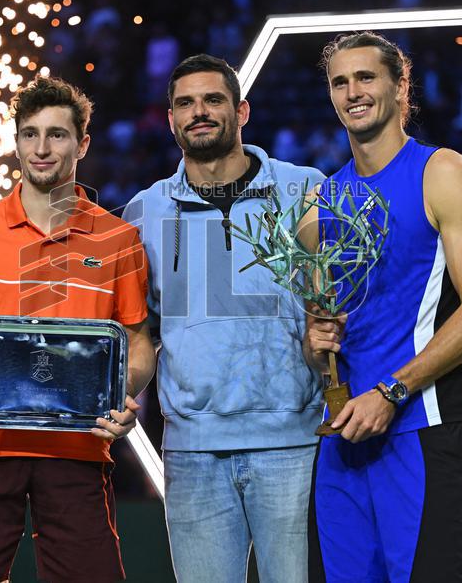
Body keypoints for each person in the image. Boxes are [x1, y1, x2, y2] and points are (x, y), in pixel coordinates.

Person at [0, 75, 156, 583]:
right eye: (30, 134)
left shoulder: (120, 239)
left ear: (83, 143)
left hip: (78, 448)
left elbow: (138, 344)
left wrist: (121, 393)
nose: (42, 148)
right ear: (16, 142)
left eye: (57, 134)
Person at [302, 32, 462, 582]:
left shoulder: (442, 172)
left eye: (366, 77)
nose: (352, 92)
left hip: (420, 429)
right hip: (342, 439)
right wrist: (315, 344)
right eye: (339, 82)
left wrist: (392, 391)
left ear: (400, 85)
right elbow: (322, 341)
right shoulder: (323, 202)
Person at [124, 54, 325, 582]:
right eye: (185, 103)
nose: (199, 112)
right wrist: (118, 392)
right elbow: (142, 333)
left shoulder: (303, 189)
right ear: (170, 119)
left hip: (294, 443)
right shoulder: (144, 212)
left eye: (213, 100)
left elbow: (331, 310)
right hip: (192, 454)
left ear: (242, 110)